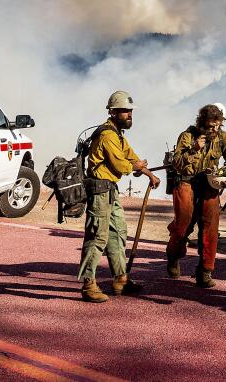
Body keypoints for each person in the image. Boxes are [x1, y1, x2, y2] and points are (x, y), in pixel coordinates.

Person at [78, 90, 160, 303]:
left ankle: (121, 279)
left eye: (130, 111)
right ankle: (88, 284)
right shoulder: (107, 135)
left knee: (117, 232)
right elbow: (121, 164)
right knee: (97, 237)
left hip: (110, 190)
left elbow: (131, 156)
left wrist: (149, 174)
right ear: (113, 112)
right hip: (100, 191)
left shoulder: (116, 134)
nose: (130, 115)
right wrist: (137, 166)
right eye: (125, 111)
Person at [166, 103, 226, 288]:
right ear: (202, 122)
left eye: (218, 124)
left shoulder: (223, 138)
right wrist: (193, 149)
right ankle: (173, 256)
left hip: (209, 184)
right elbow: (176, 163)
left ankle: (205, 271)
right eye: (211, 124)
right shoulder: (188, 136)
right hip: (186, 182)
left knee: (211, 227)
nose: (215, 128)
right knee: (183, 224)